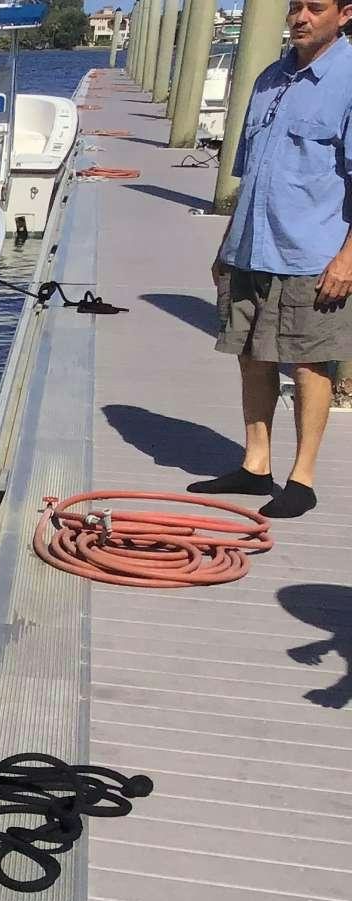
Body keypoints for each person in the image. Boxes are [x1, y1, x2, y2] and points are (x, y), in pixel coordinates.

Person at [196, 0, 352, 519]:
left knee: (310, 361)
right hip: (251, 245)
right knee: (252, 353)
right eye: (294, 7)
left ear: (345, 13)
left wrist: (347, 260)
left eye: (315, 7)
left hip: (312, 251)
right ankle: (255, 464)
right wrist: (226, 244)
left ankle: (301, 479)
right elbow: (250, 172)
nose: (300, 16)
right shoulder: (269, 79)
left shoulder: (348, 79)